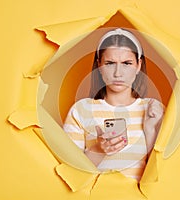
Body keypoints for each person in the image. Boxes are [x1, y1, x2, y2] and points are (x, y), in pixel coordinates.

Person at [63, 28, 164, 181]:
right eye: (110, 63)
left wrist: (150, 130)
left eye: (126, 63)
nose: (118, 73)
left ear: (138, 65)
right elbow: (69, 174)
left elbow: (161, 173)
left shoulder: (153, 109)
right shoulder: (81, 110)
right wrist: (98, 150)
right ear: (99, 66)